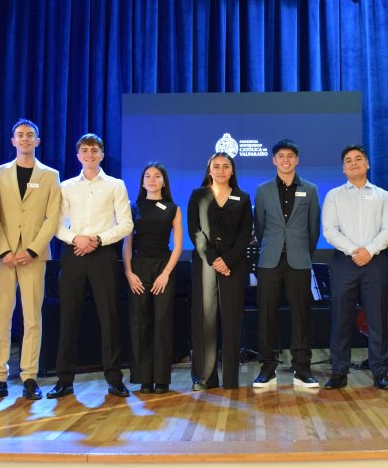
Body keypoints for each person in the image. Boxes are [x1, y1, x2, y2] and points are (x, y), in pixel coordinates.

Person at [0, 119, 61, 402]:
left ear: (38, 141)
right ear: (13, 141)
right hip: (4, 256)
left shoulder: (50, 175)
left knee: (32, 317)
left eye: (30, 135)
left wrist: (33, 249)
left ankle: (29, 377)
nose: (25, 139)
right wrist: (3, 249)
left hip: (33, 256)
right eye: (20, 135)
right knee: (1, 316)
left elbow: (53, 217)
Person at [49, 133, 133, 399]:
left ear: (102, 155)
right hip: (73, 253)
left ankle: (114, 379)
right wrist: (77, 239)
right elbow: (56, 224)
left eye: (94, 150)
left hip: (104, 255)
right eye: (84, 151)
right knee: (68, 317)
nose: (89, 155)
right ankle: (64, 380)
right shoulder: (66, 186)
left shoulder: (116, 185)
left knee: (109, 317)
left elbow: (126, 224)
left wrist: (97, 239)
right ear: (78, 156)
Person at [322, 145, 388, 390]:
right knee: (341, 319)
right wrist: (355, 250)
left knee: (377, 320)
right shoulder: (333, 195)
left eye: (358, 159)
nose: (353, 163)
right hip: (345, 263)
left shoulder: (383, 196)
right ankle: (338, 372)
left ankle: (380, 372)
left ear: (367, 164)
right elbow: (330, 230)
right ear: (343, 168)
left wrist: (369, 251)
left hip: (375, 262)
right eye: (348, 160)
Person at [253, 139, 321, 389]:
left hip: (299, 260)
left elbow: (314, 229)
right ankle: (267, 368)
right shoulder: (262, 190)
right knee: (266, 316)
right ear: (273, 160)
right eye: (280, 156)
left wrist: (302, 252)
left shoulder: (310, 189)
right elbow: (260, 227)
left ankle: (302, 368)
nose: (285, 160)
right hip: (269, 260)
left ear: (297, 160)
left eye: (290, 155)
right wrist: (273, 246)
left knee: (301, 315)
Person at [187, 152, 252, 390]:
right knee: (205, 320)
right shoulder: (198, 195)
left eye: (226, 166)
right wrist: (214, 259)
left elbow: (245, 234)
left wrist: (228, 260)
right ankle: (205, 378)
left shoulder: (242, 198)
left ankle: (231, 379)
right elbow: (195, 230)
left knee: (232, 320)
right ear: (209, 170)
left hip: (234, 266)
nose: (221, 170)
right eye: (216, 166)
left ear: (232, 170)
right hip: (205, 264)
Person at [123, 162, 183, 395]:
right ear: (142, 181)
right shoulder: (133, 207)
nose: (152, 179)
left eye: (157, 176)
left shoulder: (173, 208)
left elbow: (178, 246)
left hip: (163, 267)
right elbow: (127, 244)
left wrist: (166, 273)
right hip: (138, 267)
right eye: (147, 176)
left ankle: (161, 379)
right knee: (140, 323)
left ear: (163, 181)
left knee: (162, 323)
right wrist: (129, 272)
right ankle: (144, 379)